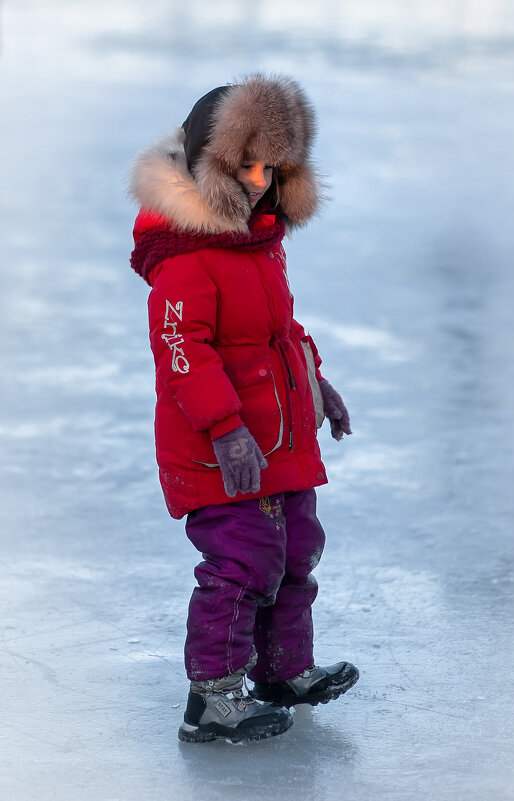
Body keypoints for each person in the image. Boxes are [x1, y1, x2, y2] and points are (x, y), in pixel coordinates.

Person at [129, 74, 359, 744]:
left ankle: (281, 670)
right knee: (240, 566)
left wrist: (319, 383)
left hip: (281, 443)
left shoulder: (258, 241)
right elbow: (182, 353)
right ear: (210, 164)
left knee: (293, 553)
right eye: (245, 166)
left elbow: (281, 330)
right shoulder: (187, 255)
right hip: (220, 450)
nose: (260, 180)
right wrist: (225, 429)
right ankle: (213, 696)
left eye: (272, 167)